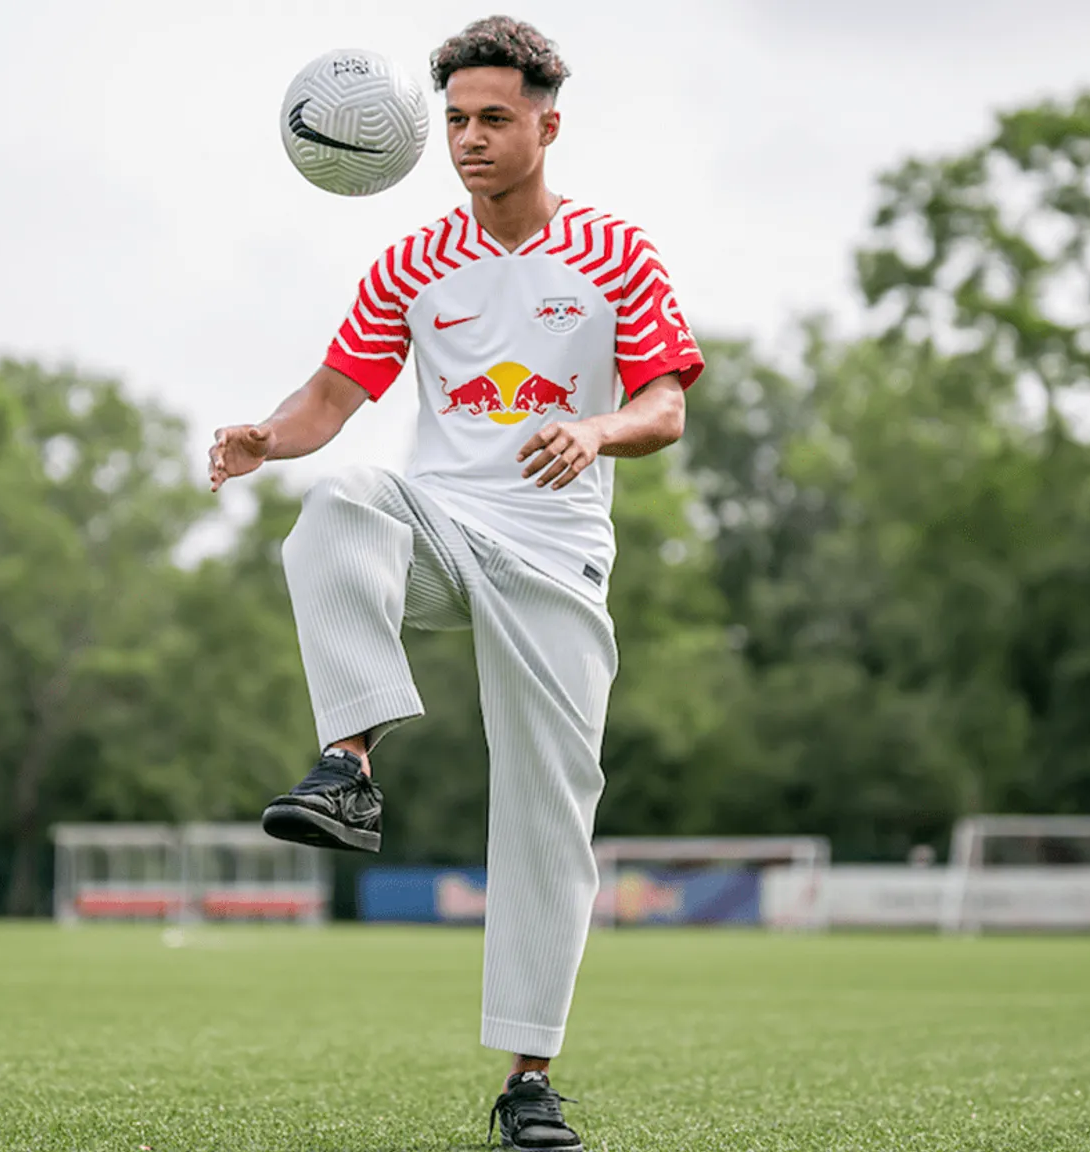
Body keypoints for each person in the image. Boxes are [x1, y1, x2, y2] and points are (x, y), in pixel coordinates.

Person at [207, 16, 702, 1151]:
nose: (469, 139)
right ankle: (349, 767)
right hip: (441, 525)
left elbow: (665, 407)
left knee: (546, 815)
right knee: (336, 502)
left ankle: (528, 1082)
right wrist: (263, 440)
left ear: (545, 124)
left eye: (492, 118)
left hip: (555, 553)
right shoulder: (411, 264)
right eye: (457, 120)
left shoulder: (616, 253)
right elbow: (330, 403)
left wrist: (595, 430)